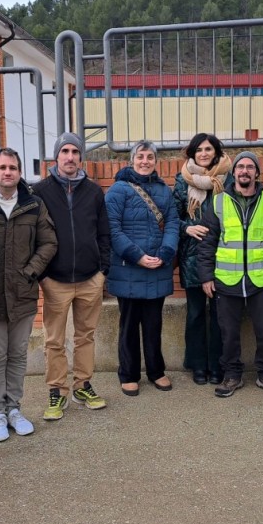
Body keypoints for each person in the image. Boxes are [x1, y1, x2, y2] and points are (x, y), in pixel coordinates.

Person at [0, 148, 57, 442]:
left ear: (20, 172)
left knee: (18, 354)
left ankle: (14, 410)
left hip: (23, 293)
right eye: (2, 167)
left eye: (13, 167)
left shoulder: (33, 204)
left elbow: (48, 242)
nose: (7, 172)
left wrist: (30, 271)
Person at [197, 151, 263, 398]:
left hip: (261, 281)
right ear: (234, 172)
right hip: (226, 280)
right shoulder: (218, 202)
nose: (245, 171)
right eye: (240, 167)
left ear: (257, 173)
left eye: (250, 167)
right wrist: (206, 276)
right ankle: (231, 376)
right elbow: (207, 242)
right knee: (228, 332)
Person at [32, 132, 111, 420]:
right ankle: (57, 391)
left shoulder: (93, 191)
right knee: (53, 339)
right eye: (64, 151)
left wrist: (103, 270)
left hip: (90, 278)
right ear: (57, 156)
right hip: (55, 280)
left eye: (75, 151)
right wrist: (42, 274)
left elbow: (104, 232)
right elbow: (33, 235)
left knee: (85, 336)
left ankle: (83, 385)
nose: (70, 156)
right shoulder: (40, 191)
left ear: (81, 157)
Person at [106, 141, 180, 396]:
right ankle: (128, 374)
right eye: (140, 157)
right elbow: (112, 229)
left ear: (155, 161)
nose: (145, 161)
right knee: (128, 325)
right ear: (132, 160)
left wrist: (165, 252)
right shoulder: (118, 190)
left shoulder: (163, 190)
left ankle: (156, 371)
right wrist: (138, 256)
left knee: (153, 324)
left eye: (149, 157)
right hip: (129, 268)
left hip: (157, 268)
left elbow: (172, 223)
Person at [173, 133, 232, 385]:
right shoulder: (182, 180)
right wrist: (187, 227)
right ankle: (198, 365)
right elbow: (172, 217)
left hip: (223, 254)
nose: (204, 153)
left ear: (216, 152)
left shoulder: (229, 178)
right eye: (199, 150)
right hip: (192, 255)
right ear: (192, 153)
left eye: (209, 149)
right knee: (196, 313)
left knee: (221, 314)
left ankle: (218, 365)